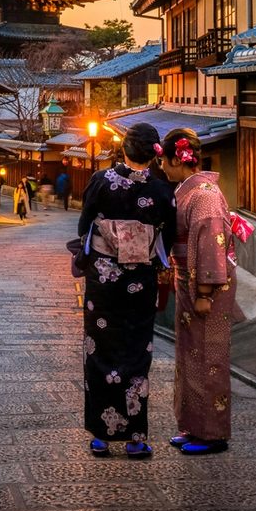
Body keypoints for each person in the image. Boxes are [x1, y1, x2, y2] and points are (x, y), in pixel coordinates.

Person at [76, 122, 175, 458]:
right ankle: (135, 438)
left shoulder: (101, 180)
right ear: (154, 153)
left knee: (99, 349)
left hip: (104, 280)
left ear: (124, 148)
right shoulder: (162, 189)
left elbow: (84, 223)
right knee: (135, 352)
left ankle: (101, 436)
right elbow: (168, 235)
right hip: (140, 281)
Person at [160, 128, 245, 455]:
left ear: (174, 159)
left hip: (206, 286)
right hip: (189, 281)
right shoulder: (190, 191)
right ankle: (192, 425)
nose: (163, 169)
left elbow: (211, 245)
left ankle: (211, 433)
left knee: (209, 357)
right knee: (190, 354)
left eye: (164, 162)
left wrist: (205, 292)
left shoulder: (204, 196)